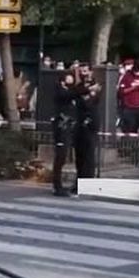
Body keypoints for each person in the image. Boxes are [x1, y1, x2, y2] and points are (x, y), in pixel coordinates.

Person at [52, 63, 100, 195]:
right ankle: (73, 184)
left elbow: (89, 102)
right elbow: (74, 95)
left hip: (88, 124)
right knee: (77, 157)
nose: (83, 74)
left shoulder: (91, 86)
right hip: (72, 126)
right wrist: (86, 89)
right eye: (81, 71)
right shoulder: (70, 89)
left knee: (88, 157)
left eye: (86, 71)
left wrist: (88, 90)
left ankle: (86, 184)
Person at [117, 58, 139, 133]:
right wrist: (133, 88)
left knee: (138, 128)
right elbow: (121, 91)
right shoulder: (127, 76)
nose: (136, 72)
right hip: (128, 108)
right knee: (128, 128)